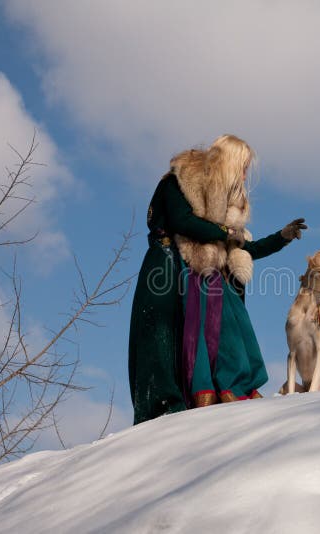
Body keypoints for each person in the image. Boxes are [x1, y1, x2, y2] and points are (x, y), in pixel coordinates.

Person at [128, 135, 306, 424]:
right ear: (229, 162)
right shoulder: (180, 183)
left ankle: (226, 388)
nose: (246, 174)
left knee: (229, 328)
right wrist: (225, 233)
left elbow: (242, 249)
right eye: (243, 166)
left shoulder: (220, 209)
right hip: (167, 267)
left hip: (199, 277)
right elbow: (182, 221)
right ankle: (167, 407)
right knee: (162, 342)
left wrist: (281, 238)